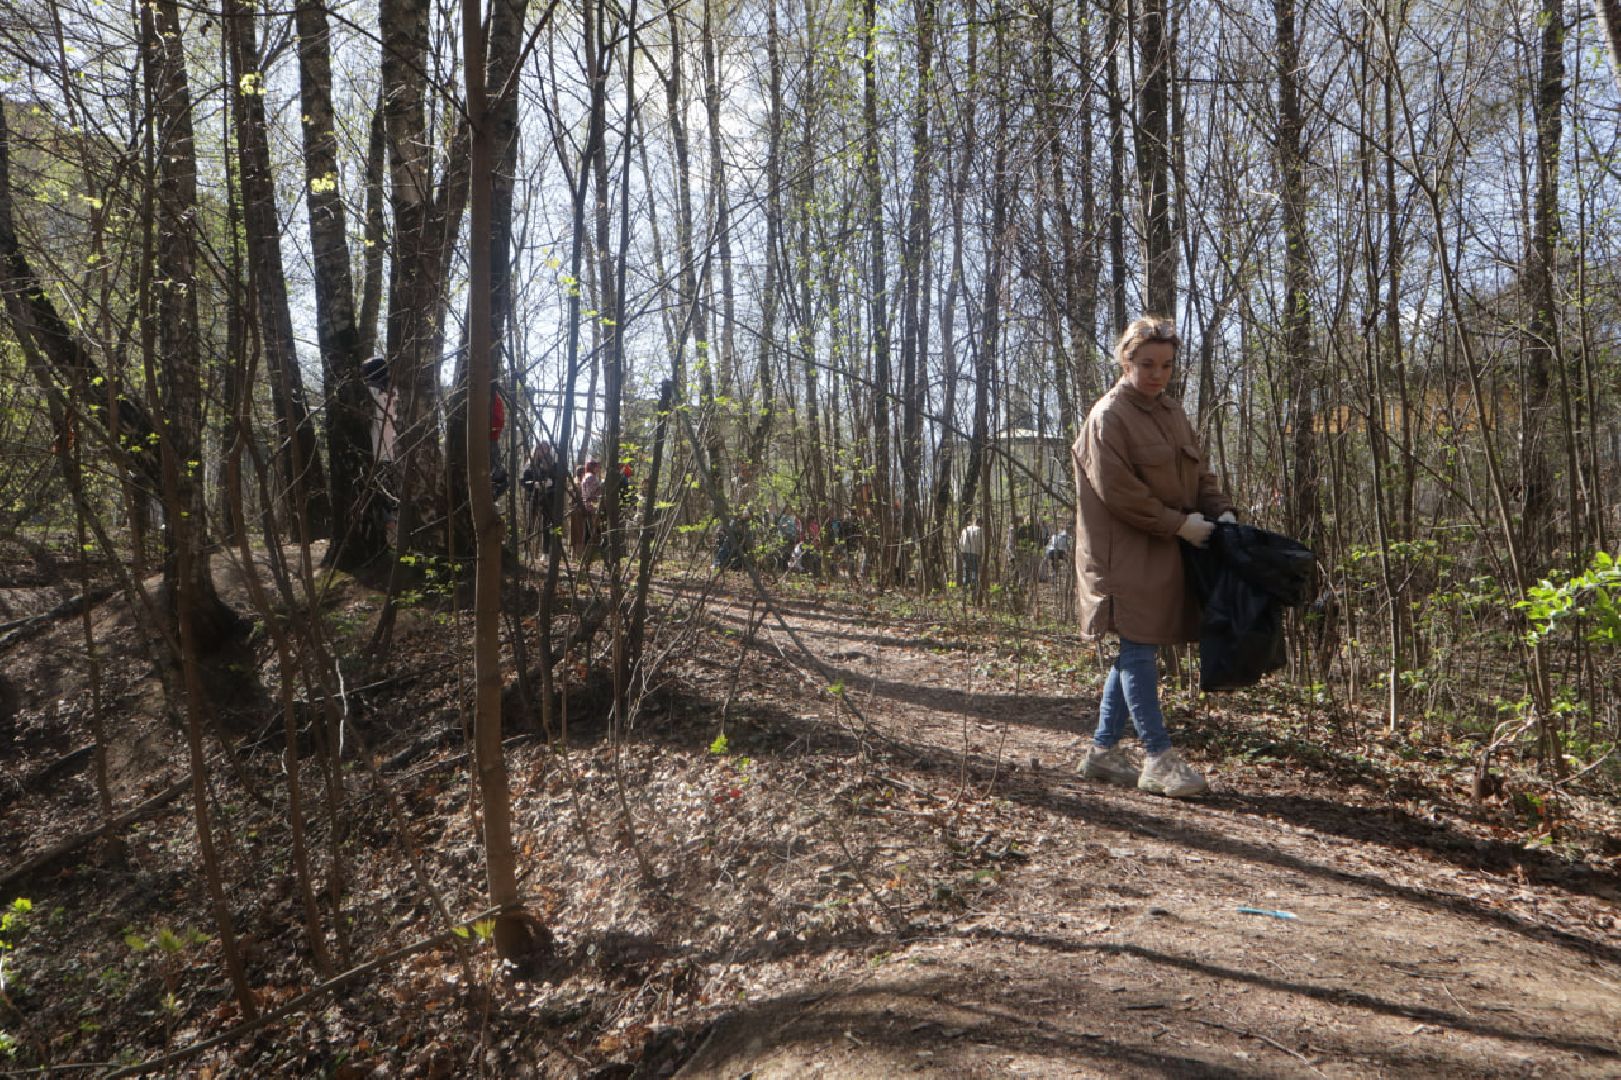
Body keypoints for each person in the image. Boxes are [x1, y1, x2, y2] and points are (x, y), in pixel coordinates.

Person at [1071, 316, 1236, 798]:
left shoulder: (1171, 413)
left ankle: (1102, 752)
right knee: (1139, 649)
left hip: (1165, 552)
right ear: (1125, 360)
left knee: (1137, 650)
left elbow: (1199, 472)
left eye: (1165, 365)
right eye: (1146, 364)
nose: (1157, 374)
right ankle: (1158, 757)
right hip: (1121, 554)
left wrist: (1220, 512)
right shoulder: (1108, 417)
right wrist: (1179, 524)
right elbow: (1121, 495)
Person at [958, 516, 985, 587]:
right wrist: (982, 553)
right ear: (980, 523)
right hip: (974, 552)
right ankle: (973, 585)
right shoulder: (979, 530)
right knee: (974, 569)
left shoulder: (965, 529)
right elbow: (982, 543)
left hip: (964, 552)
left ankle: (965, 585)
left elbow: (960, 542)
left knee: (965, 569)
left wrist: (960, 551)